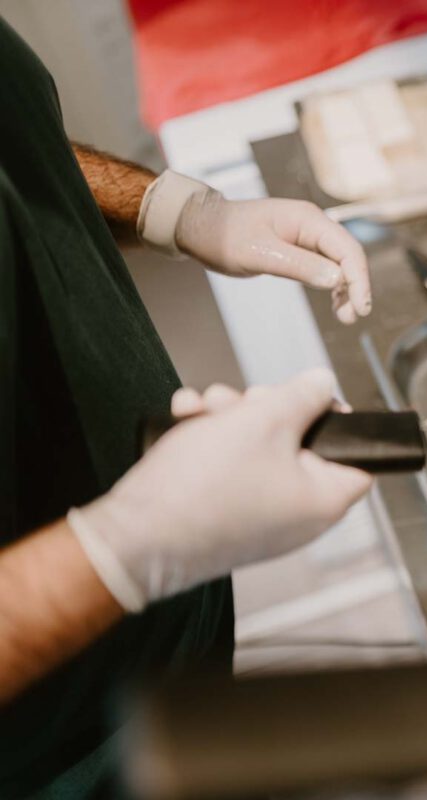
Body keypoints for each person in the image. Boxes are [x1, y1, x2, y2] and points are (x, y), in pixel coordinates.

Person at [1, 19, 378, 797]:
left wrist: (182, 212)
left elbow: (18, 142)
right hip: (60, 751)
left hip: (161, 647)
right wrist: (131, 543)